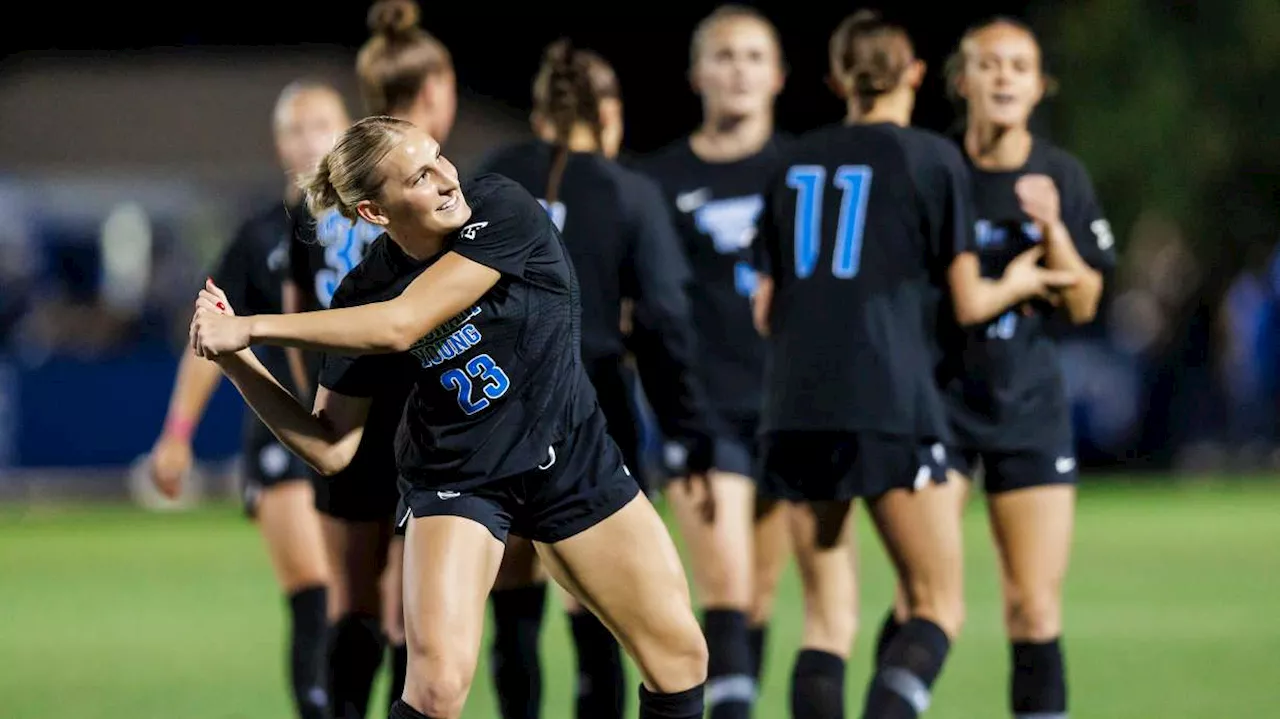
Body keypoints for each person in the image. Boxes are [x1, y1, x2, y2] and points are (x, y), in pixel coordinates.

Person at [188, 115, 710, 719]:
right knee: (435, 689)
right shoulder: (363, 291)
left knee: (681, 663)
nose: (445, 179)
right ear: (375, 214)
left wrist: (248, 323)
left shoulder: (501, 208)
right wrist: (239, 360)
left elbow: (403, 323)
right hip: (461, 479)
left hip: (569, 456)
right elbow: (330, 445)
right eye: (418, 176)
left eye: (439, 157)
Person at [750, 12, 1075, 718]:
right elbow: (966, 302)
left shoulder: (789, 162)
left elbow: (764, 309)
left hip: (794, 410)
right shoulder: (933, 159)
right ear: (919, 74)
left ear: (837, 78)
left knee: (826, 622)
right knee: (936, 606)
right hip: (889, 403)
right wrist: (1020, 281)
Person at [872, 17, 1114, 719]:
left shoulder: (1061, 175)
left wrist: (1054, 229)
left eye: (1020, 66)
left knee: (1033, 606)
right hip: (935, 407)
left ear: (1039, 87)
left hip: (1024, 406)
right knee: (920, 596)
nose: (1005, 76)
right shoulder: (928, 167)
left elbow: (1086, 300)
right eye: (990, 64)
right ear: (961, 81)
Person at [474, 39, 715, 719]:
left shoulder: (493, 175)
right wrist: (687, 430)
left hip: (495, 406)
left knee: (512, 586)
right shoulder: (627, 189)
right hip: (590, 411)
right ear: (606, 113)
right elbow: (667, 320)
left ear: (541, 110)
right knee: (600, 600)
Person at [148, 78, 350, 719]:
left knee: (364, 608)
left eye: (320, 122)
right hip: (283, 430)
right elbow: (205, 336)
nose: (307, 137)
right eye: (293, 127)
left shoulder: (375, 226)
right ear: (277, 145)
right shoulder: (260, 234)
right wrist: (177, 434)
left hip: (363, 429)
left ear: (348, 130)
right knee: (315, 596)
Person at [279, 3, 459, 716]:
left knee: (352, 600)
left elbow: (305, 327)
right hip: (434, 421)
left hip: (350, 414)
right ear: (436, 87)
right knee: (415, 616)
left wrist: (321, 407)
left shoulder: (339, 192)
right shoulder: (442, 190)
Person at [631, 7, 790, 715]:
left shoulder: (801, 171)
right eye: (724, 56)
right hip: (702, 409)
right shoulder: (660, 179)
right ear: (697, 73)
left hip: (791, 407)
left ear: (778, 75)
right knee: (723, 588)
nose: (738, 70)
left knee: (757, 594)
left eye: (754, 57)